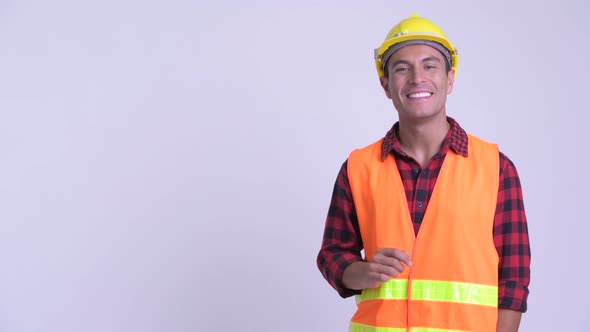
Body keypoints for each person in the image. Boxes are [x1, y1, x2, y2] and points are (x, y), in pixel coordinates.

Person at [317, 14, 531, 332]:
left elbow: (513, 280)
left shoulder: (496, 167)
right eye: (402, 68)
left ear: (450, 78)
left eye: (430, 66)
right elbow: (332, 253)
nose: (417, 78)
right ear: (386, 84)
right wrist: (360, 273)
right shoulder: (358, 167)